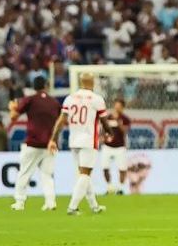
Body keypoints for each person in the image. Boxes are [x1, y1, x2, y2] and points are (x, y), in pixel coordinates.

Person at [48, 72, 112, 215]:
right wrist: (110, 133)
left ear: (81, 82)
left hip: (74, 140)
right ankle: (72, 207)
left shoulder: (70, 98)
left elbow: (61, 120)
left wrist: (53, 138)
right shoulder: (96, 99)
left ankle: (94, 206)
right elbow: (104, 120)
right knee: (85, 175)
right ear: (92, 82)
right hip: (89, 140)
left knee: (84, 173)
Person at [9, 76, 61, 211]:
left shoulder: (30, 100)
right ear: (46, 85)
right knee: (47, 175)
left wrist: (12, 108)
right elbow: (61, 122)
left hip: (33, 143)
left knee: (24, 173)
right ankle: (51, 202)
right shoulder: (54, 103)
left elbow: (13, 116)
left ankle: (19, 202)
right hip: (50, 144)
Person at [101, 97, 131, 194]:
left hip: (120, 147)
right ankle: (109, 187)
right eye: (116, 106)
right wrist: (103, 137)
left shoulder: (125, 119)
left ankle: (120, 188)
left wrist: (118, 122)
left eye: (119, 106)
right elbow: (103, 130)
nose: (117, 108)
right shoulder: (108, 118)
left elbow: (125, 131)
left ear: (122, 108)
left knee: (122, 168)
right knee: (105, 167)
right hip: (107, 146)